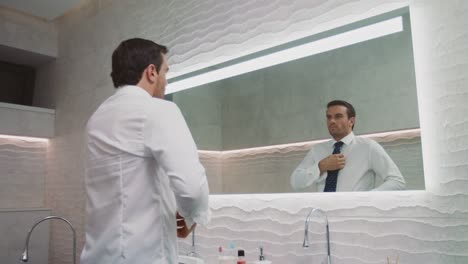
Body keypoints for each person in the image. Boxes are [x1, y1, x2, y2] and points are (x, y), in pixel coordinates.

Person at [80, 38, 210, 264]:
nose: (165, 81)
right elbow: (192, 187)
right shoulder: (157, 110)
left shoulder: (96, 119)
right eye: (165, 72)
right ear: (151, 72)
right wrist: (189, 218)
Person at [290, 100, 405, 192]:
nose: (332, 121)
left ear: (351, 121)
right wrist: (320, 167)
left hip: (356, 216)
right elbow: (295, 181)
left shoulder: (368, 147)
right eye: (329, 117)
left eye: (338, 116)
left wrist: (365, 199)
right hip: (323, 214)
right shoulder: (317, 150)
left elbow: (397, 181)